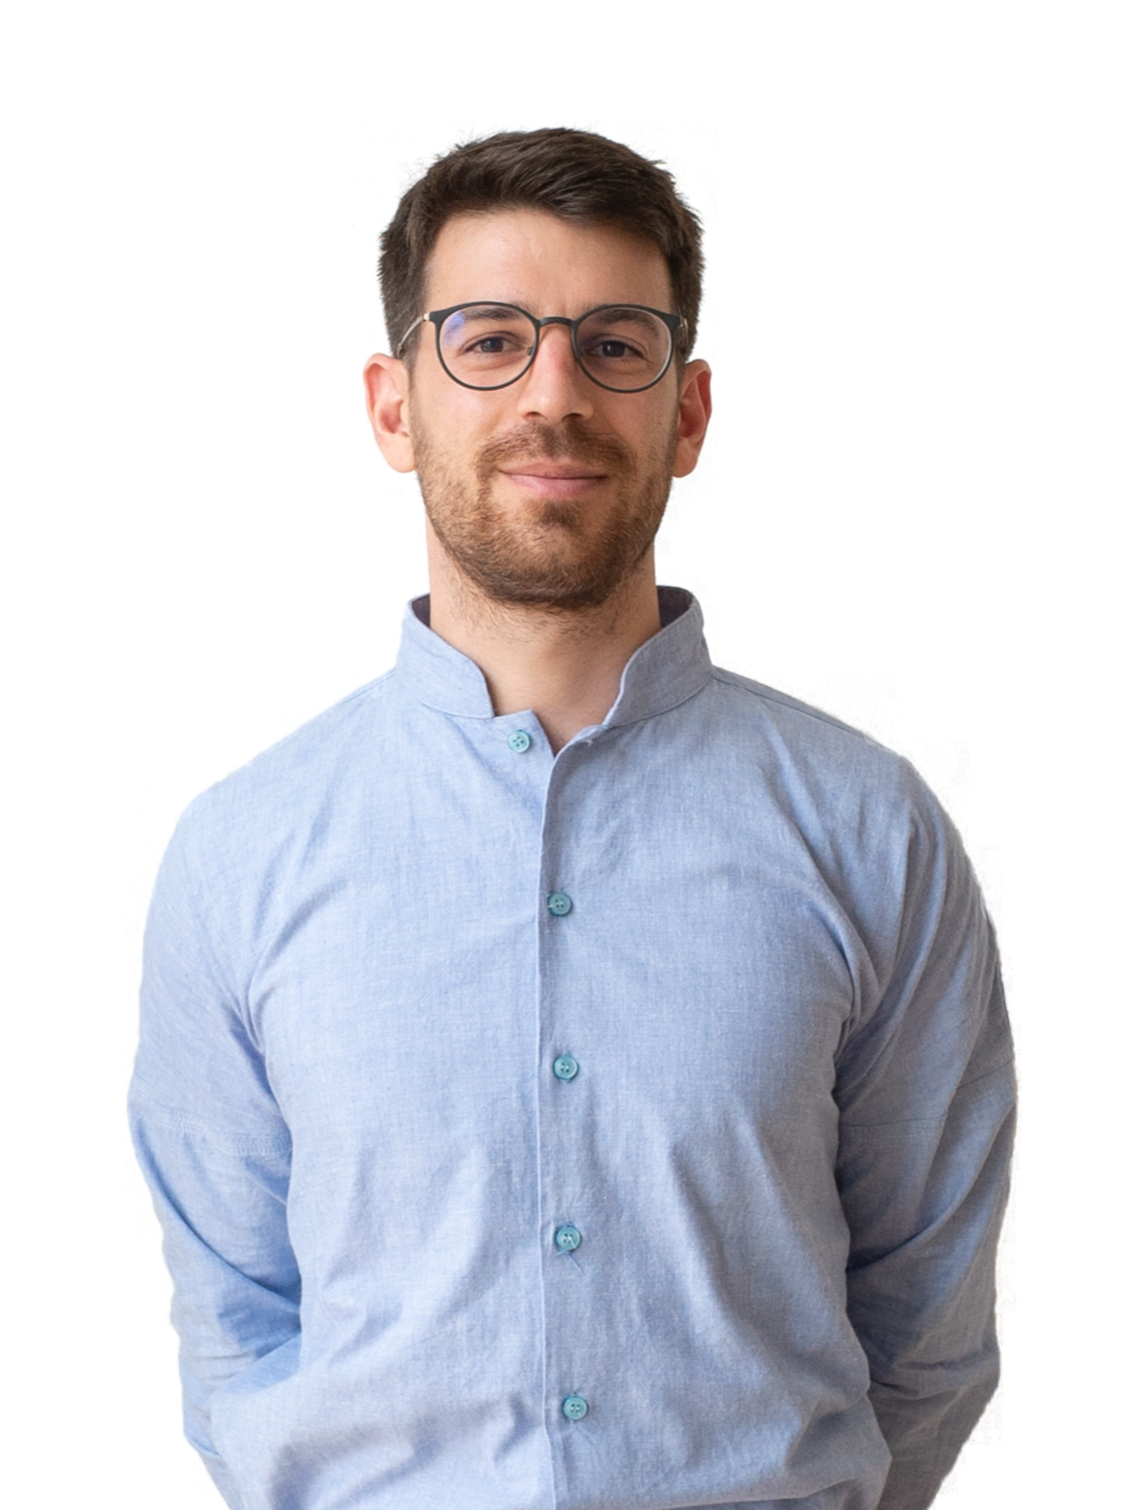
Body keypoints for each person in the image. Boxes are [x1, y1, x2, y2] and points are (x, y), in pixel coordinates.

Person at [130, 128, 1015, 1510]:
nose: (554, 394)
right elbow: (237, 1326)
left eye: (614, 345)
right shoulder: (241, 855)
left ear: (689, 412)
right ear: (392, 408)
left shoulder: (869, 831)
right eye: (490, 340)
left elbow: (929, 1328)